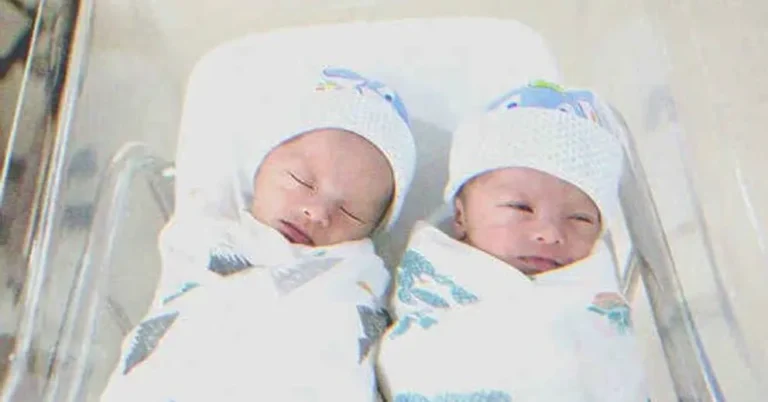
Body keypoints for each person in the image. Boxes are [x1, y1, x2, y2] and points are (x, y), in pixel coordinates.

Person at [100, 66, 416, 402]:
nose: (318, 213)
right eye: (301, 181)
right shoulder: (209, 236)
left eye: (350, 212)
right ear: (261, 163)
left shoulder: (354, 275)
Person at [377, 81, 648, 402]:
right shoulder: (436, 278)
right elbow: (414, 362)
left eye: (580, 219)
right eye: (520, 208)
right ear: (461, 217)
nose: (549, 234)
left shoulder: (590, 288)